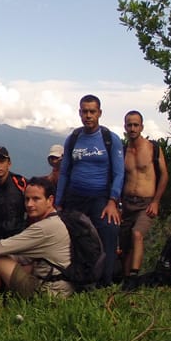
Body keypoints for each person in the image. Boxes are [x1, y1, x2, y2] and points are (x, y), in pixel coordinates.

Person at [55, 94, 125, 288]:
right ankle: (74, 281)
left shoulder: (110, 139)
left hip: (100, 198)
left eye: (92, 111)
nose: (88, 115)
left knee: (109, 231)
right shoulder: (74, 139)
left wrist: (113, 200)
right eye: (84, 111)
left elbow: (119, 173)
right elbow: (64, 173)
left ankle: (105, 282)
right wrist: (58, 203)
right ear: (79, 113)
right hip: (74, 197)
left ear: (99, 113)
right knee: (69, 236)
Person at [0, 176, 74, 300]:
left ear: (50, 200)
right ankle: (4, 301)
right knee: (16, 262)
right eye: (27, 199)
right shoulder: (56, 220)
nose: (29, 204)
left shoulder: (44, 228)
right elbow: (24, 256)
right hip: (62, 286)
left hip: (50, 292)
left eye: (36, 199)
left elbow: (5, 246)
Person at [121, 110, 169, 278]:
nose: (132, 128)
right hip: (127, 204)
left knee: (137, 234)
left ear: (142, 127)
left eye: (136, 125)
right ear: (125, 127)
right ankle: (126, 280)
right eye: (129, 125)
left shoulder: (152, 148)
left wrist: (156, 201)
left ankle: (134, 276)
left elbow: (164, 175)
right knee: (125, 246)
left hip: (146, 203)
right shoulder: (122, 151)